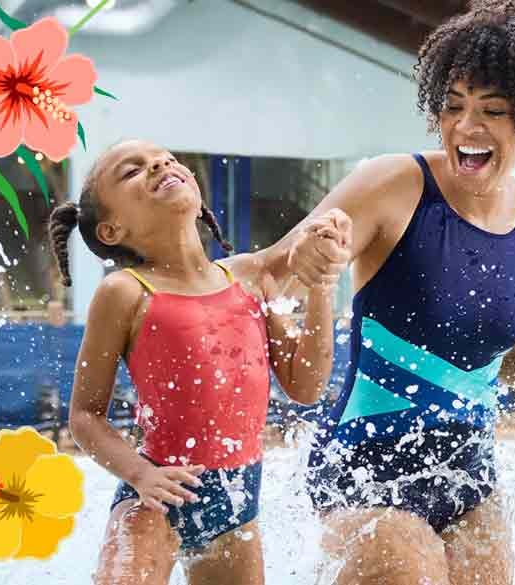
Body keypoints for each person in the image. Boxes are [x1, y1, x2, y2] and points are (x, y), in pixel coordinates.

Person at [281, 2, 515, 583]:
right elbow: (273, 269)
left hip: (469, 474)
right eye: (452, 106)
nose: (466, 127)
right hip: (366, 462)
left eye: (491, 110)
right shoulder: (394, 183)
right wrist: (305, 257)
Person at [49, 139, 351, 585]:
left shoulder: (251, 277)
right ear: (111, 231)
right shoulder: (126, 292)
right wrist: (140, 474)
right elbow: (84, 415)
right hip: (155, 497)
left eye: (166, 159)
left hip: (237, 505)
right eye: (132, 171)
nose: (158, 163)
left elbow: (304, 387)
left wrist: (321, 284)